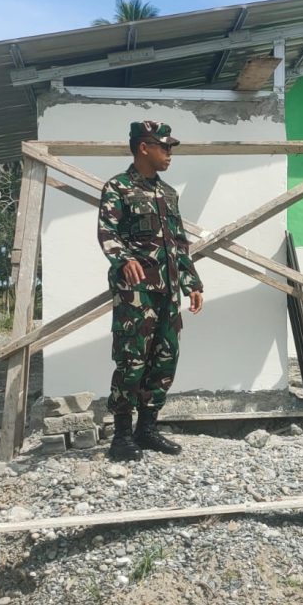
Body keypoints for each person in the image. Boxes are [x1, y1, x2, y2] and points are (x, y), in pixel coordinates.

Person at [98, 120, 205, 462]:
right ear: (144, 147)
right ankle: (122, 436)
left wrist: (192, 283)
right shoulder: (118, 188)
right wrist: (123, 259)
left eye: (170, 147)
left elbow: (178, 243)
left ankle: (147, 429)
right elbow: (107, 232)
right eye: (164, 147)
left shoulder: (168, 194)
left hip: (168, 291)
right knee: (131, 361)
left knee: (165, 359)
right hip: (136, 293)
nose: (169, 153)